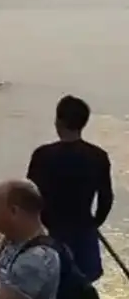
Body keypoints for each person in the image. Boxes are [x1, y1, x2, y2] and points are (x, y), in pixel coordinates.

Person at [26, 95, 111, 283]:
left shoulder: (42, 156)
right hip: (83, 230)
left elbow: (29, 197)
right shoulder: (98, 157)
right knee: (83, 282)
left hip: (52, 231)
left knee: (52, 283)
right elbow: (106, 199)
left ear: (58, 121)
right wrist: (93, 224)